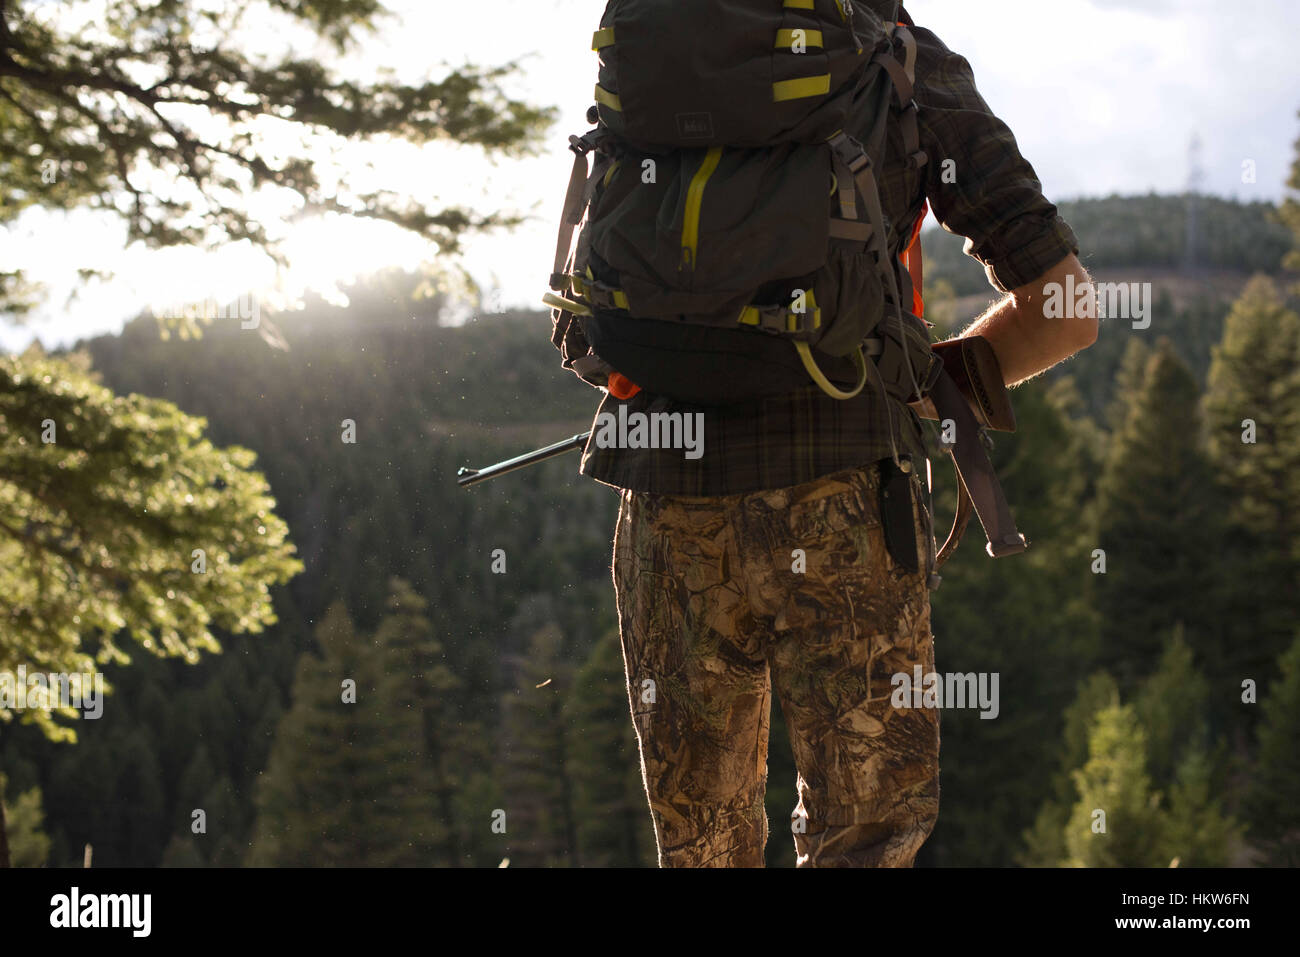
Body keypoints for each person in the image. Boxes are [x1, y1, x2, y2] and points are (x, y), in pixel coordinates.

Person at [579, 1, 1099, 867]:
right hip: (848, 506)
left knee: (701, 844)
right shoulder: (895, 57)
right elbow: (1068, 308)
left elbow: (602, 298)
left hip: (665, 507)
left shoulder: (659, 44)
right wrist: (925, 382)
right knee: (865, 844)